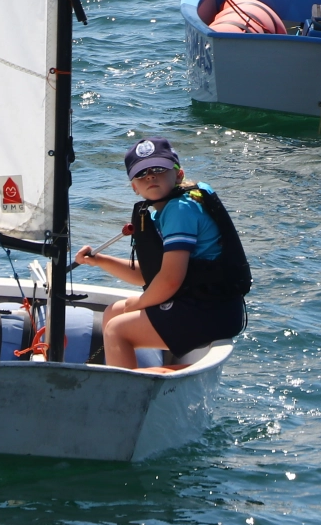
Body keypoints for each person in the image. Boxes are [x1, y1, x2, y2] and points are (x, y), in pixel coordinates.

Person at [71, 137, 250, 371]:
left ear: (178, 175)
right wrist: (100, 261)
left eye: (158, 169)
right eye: (141, 173)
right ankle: (133, 374)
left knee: (117, 330)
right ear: (134, 187)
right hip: (202, 305)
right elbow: (151, 274)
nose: (150, 176)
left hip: (211, 310)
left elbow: (170, 279)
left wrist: (140, 303)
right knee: (113, 312)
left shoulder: (180, 210)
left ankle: (128, 389)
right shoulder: (159, 213)